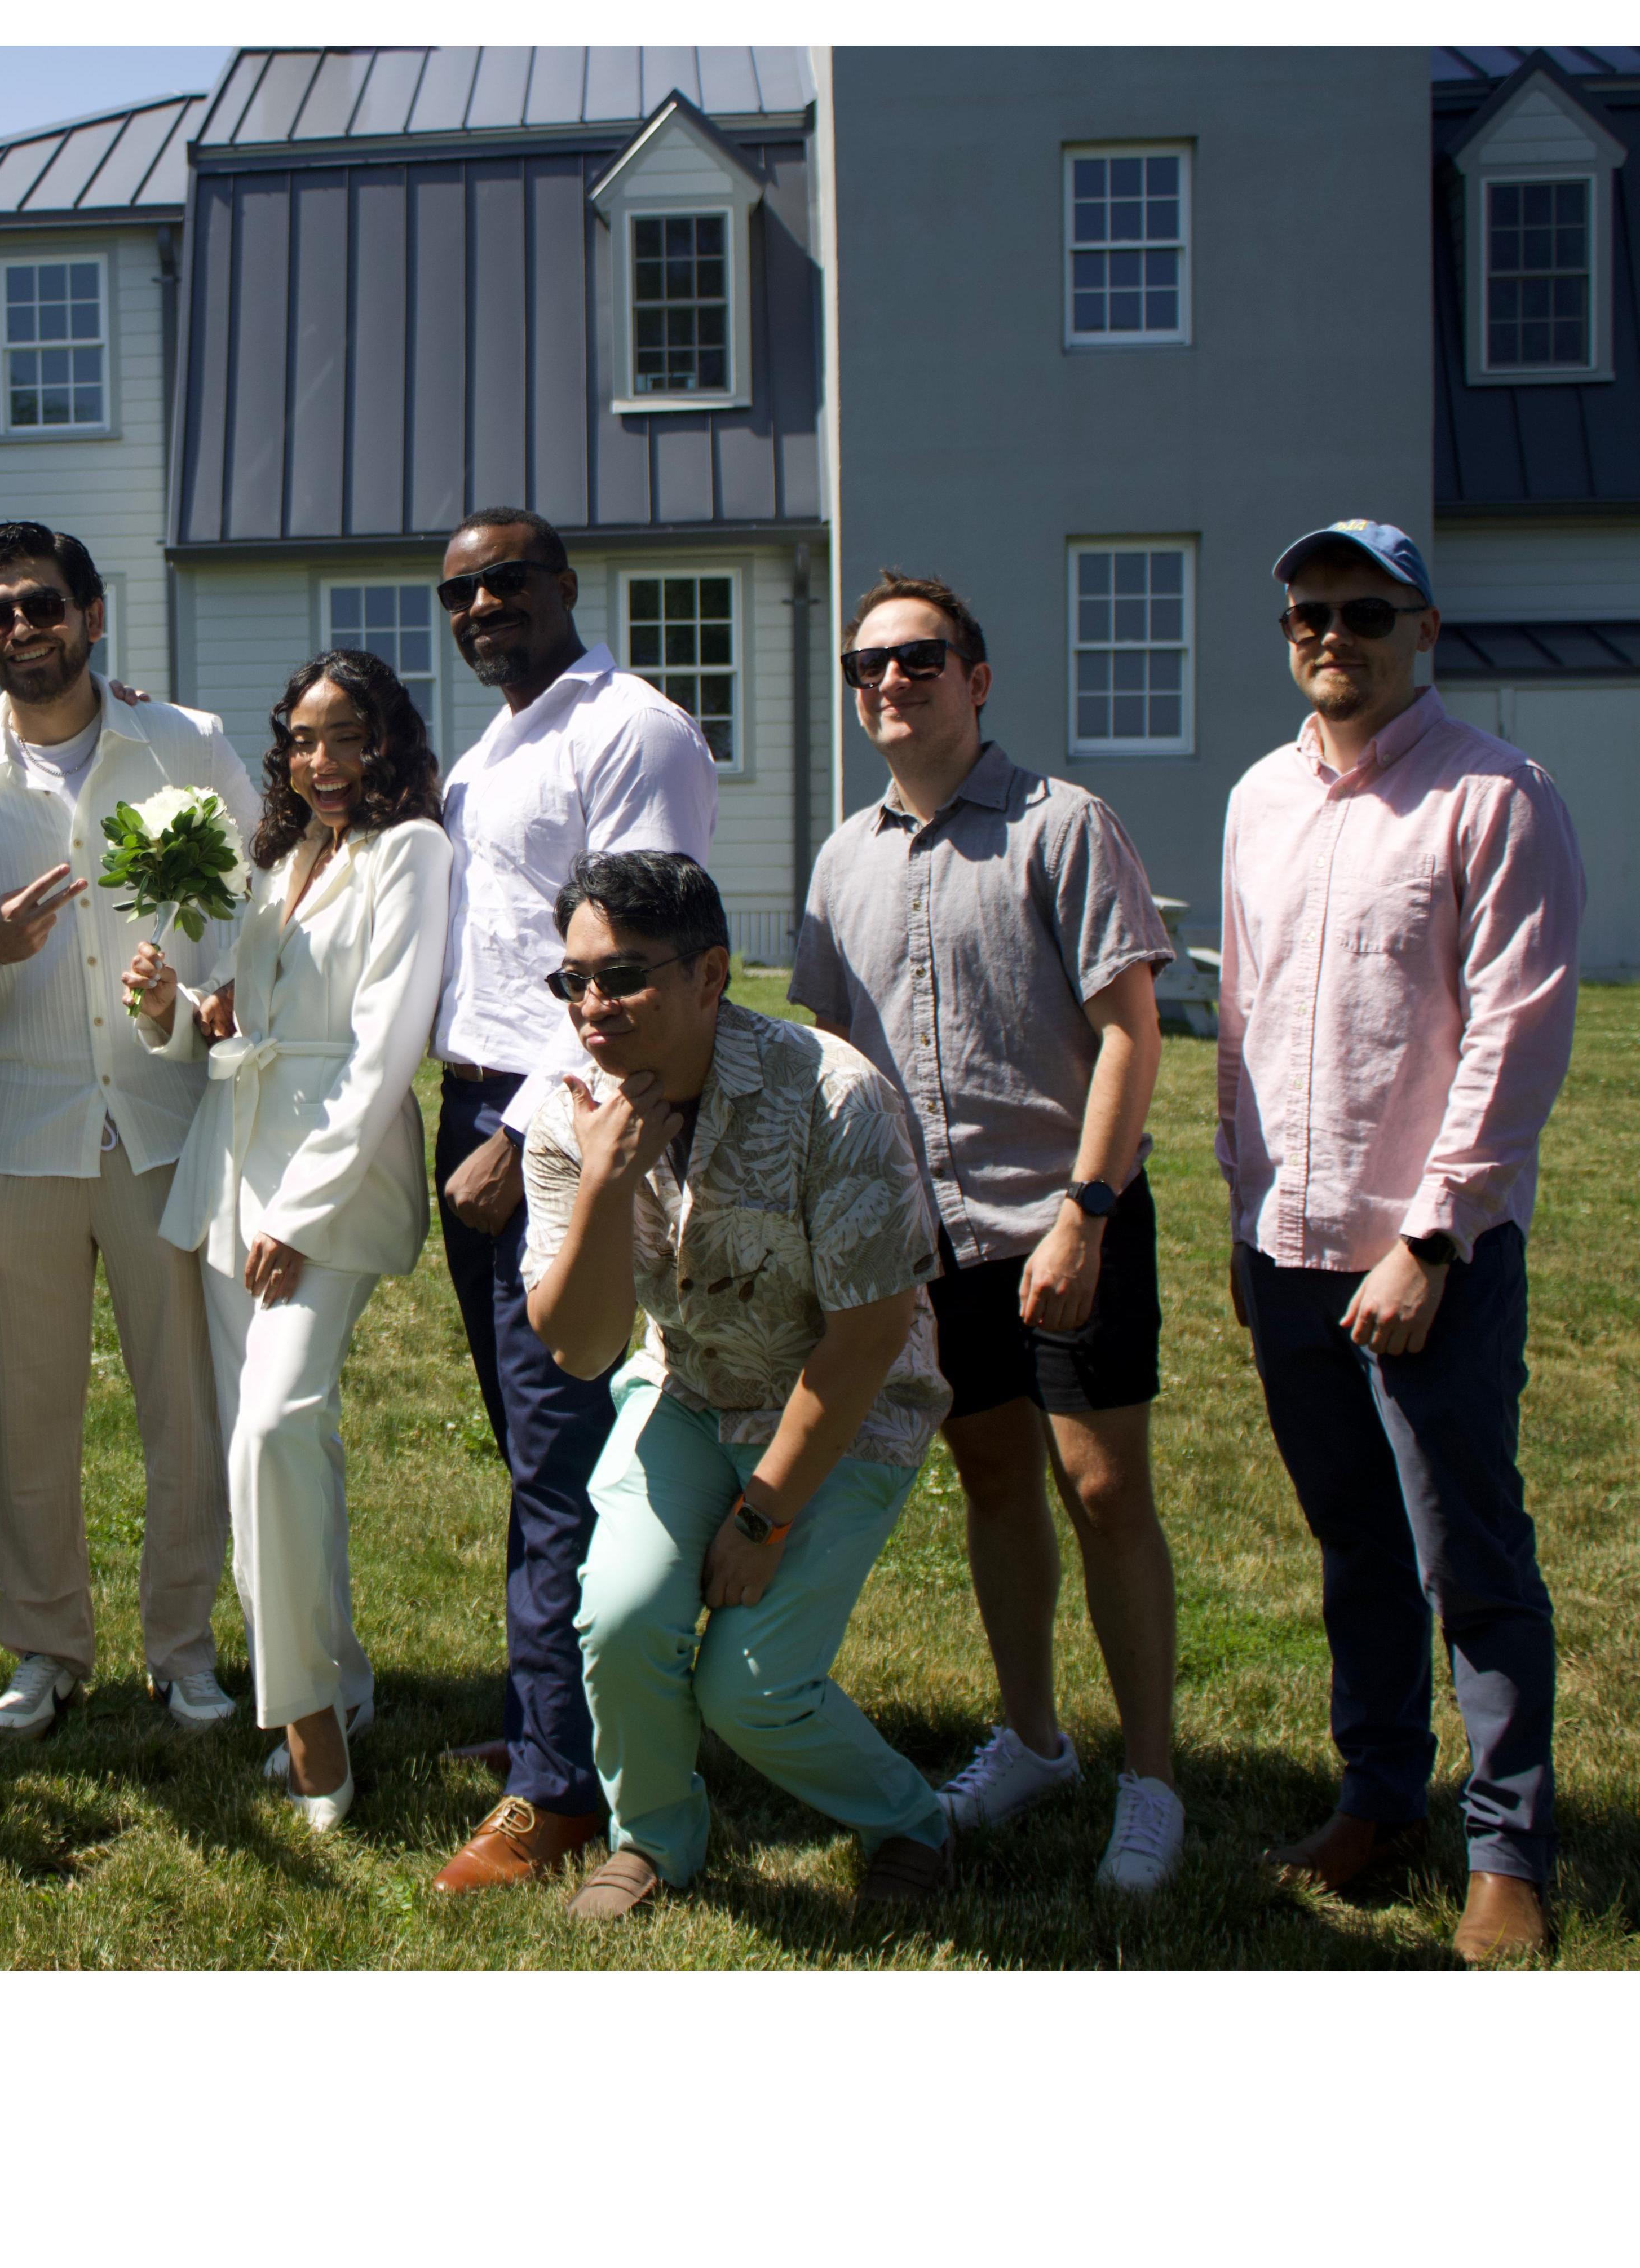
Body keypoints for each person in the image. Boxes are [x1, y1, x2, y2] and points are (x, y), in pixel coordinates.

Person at [1219, 520, 1584, 1965]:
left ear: (1423, 631)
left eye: (1365, 612)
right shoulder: (1258, 798)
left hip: (1431, 1257)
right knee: (1355, 1545)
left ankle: (1507, 1851)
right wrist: (1242, 1215)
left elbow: (1517, 1028)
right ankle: (1378, 1799)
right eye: (1309, 612)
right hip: (1289, 1246)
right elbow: (1241, 1020)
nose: (1333, 635)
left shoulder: (1495, 795)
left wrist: (1431, 1239)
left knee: (1468, 1555)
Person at [792, 571, 1183, 1891]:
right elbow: (830, 1055)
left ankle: (1150, 1780)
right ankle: (1032, 1741)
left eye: (919, 658)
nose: (889, 682)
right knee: (996, 1481)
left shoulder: (1060, 825)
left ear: (976, 676)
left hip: (1064, 1218)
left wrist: (1086, 1212)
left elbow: (1131, 1031)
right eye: (867, 665)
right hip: (929, 1243)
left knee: (1103, 1490)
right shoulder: (841, 861)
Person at [518, 850, 955, 1923]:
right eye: (573, 980)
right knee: (621, 1619)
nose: (591, 1006)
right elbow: (581, 1348)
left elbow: (870, 1335)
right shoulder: (570, 1119)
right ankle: (653, 1838)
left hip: (847, 1407)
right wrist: (606, 1183)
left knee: (751, 1688)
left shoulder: (834, 1094)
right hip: (688, 1390)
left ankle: (910, 1820)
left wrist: (763, 1517)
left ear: (710, 975)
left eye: (622, 977)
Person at [0, 521, 260, 1736]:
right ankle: (45, 1648)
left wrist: (201, 996)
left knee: (187, 1410)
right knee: (26, 1411)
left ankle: (184, 1648)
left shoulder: (187, 746)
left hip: (166, 1126)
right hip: (19, 1137)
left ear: (92, 615)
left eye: (43, 605)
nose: (23, 629)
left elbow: (260, 906)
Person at [423, 505, 718, 1894]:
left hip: (564, 1118)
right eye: (459, 592)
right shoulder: (487, 752)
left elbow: (630, 974)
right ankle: (558, 1722)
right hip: (474, 1102)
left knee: (561, 1455)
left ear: (564, 583)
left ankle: (556, 1792)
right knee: (533, 1449)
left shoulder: (630, 730)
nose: (482, 605)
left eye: (506, 580)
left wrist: (518, 1128)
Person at [126, 650, 450, 1827]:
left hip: (328, 1180)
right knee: (265, 1453)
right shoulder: (281, 855)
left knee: (274, 1426)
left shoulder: (411, 852)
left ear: (388, 741)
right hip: (230, 1166)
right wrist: (172, 1012)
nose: (323, 761)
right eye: (305, 740)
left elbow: (385, 1049)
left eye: (348, 736)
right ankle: (338, 1678)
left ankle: (306, 1720)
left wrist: (302, 1213)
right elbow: (236, 1018)